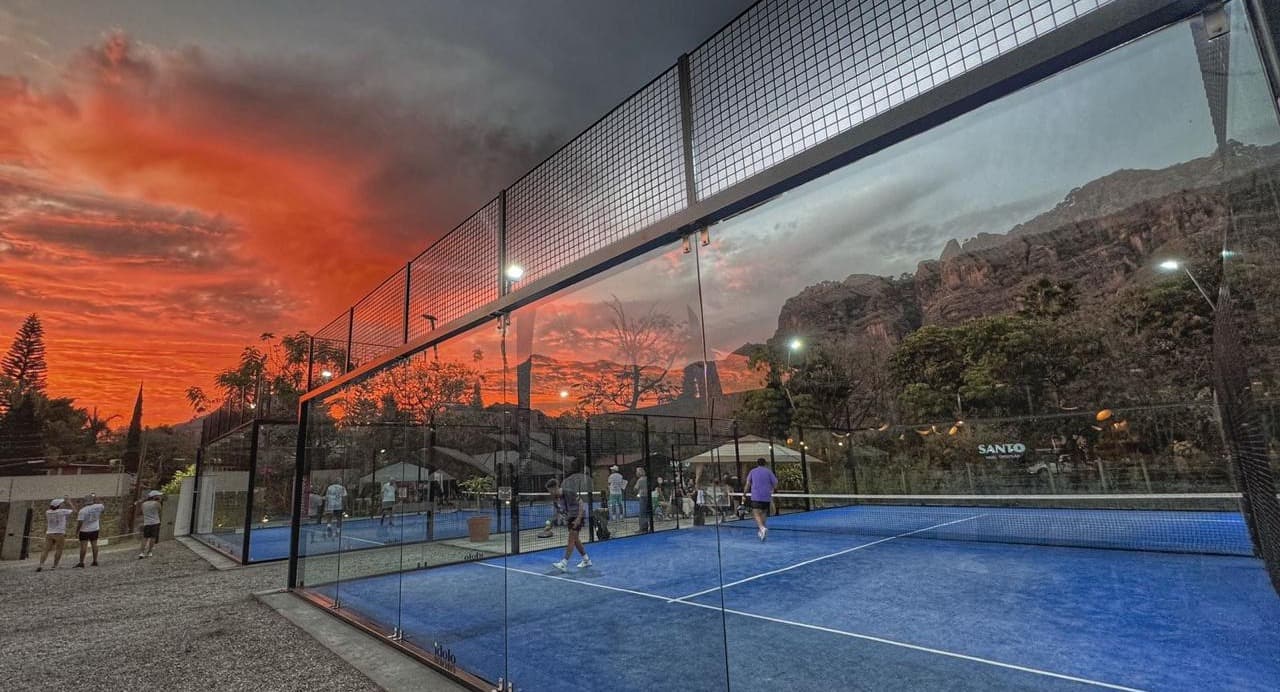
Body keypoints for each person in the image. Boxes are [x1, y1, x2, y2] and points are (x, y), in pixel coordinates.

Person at [546, 479, 591, 571]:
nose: (550, 493)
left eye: (550, 491)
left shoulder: (569, 493)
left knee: (571, 539)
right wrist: (551, 523)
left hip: (578, 516)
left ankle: (564, 563)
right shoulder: (555, 499)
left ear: (555, 488)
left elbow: (581, 504)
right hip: (571, 517)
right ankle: (586, 560)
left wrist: (578, 519)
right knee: (575, 540)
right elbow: (558, 512)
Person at [743, 457, 778, 541]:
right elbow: (776, 483)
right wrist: (772, 489)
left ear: (757, 463)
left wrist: (744, 493)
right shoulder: (768, 472)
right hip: (766, 496)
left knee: (756, 513)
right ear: (765, 463)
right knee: (763, 513)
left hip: (756, 496)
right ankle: (762, 532)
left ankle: (762, 528)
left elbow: (748, 484)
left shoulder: (752, 471)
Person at [37, 497, 76, 572]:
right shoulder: (62, 511)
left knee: (45, 550)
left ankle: (41, 565)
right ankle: (54, 566)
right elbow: (75, 511)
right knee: (59, 549)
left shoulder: (47, 512)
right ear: (59, 505)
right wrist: (70, 503)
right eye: (61, 504)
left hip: (49, 533)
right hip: (59, 533)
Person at [74, 494, 106, 567]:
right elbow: (103, 507)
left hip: (84, 530)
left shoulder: (82, 511)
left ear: (85, 501)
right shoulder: (99, 506)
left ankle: (81, 562)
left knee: (83, 546)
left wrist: (77, 531)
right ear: (93, 500)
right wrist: (98, 498)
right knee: (94, 545)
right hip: (95, 529)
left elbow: (80, 522)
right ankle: (95, 561)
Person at [136, 490, 163, 559]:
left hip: (147, 523)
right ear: (154, 496)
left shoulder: (144, 504)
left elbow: (141, 512)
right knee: (153, 537)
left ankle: (141, 552)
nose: (160, 496)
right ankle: (149, 552)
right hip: (155, 522)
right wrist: (159, 501)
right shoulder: (157, 503)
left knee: (145, 538)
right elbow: (160, 511)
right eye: (158, 495)